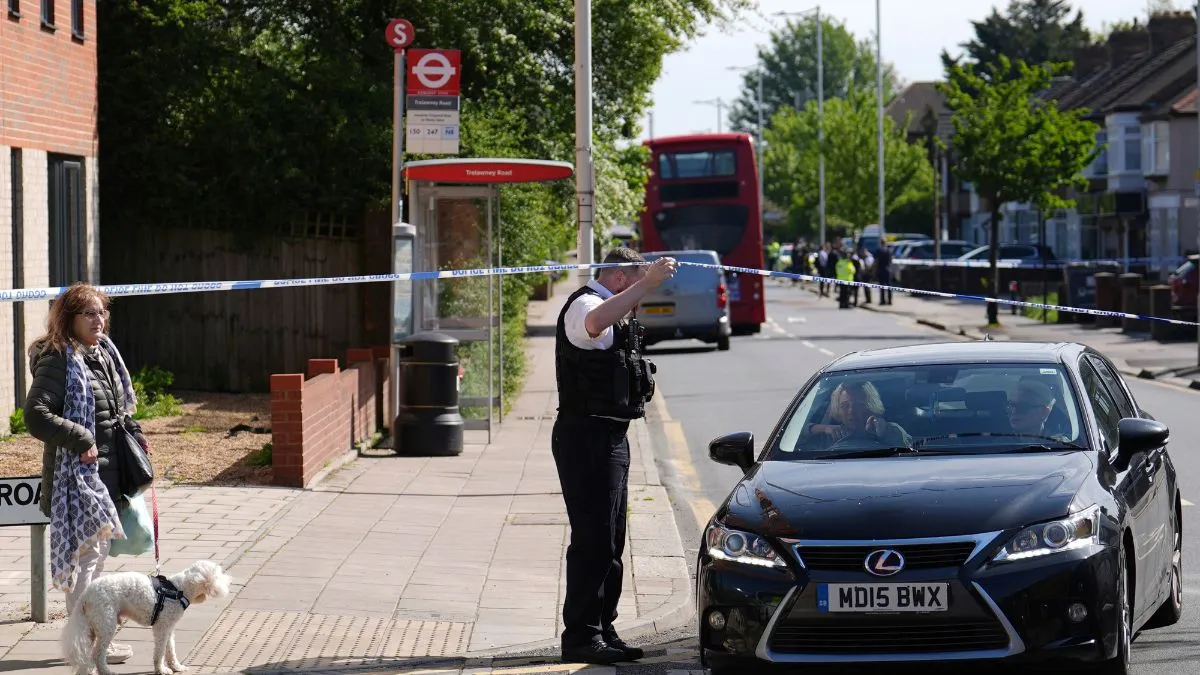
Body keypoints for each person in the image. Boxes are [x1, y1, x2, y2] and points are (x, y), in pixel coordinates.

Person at [552, 247, 677, 665]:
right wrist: (649, 282)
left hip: (610, 435)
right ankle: (581, 637)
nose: (640, 294)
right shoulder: (585, 304)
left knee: (613, 539)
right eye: (636, 282)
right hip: (584, 436)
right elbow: (593, 324)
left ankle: (604, 629)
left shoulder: (612, 303)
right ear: (621, 277)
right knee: (593, 540)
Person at [24, 282, 150, 666]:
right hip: (75, 480)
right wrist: (80, 437)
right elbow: (35, 416)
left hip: (105, 475)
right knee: (84, 562)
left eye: (102, 313)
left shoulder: (102, 352)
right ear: (69, 319)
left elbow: (114, 412)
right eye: (90, 314)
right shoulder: (59, 358)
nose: (99, 320)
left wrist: (136, 436)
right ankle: (82, 649)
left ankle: (96, 641)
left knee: (96, 560)